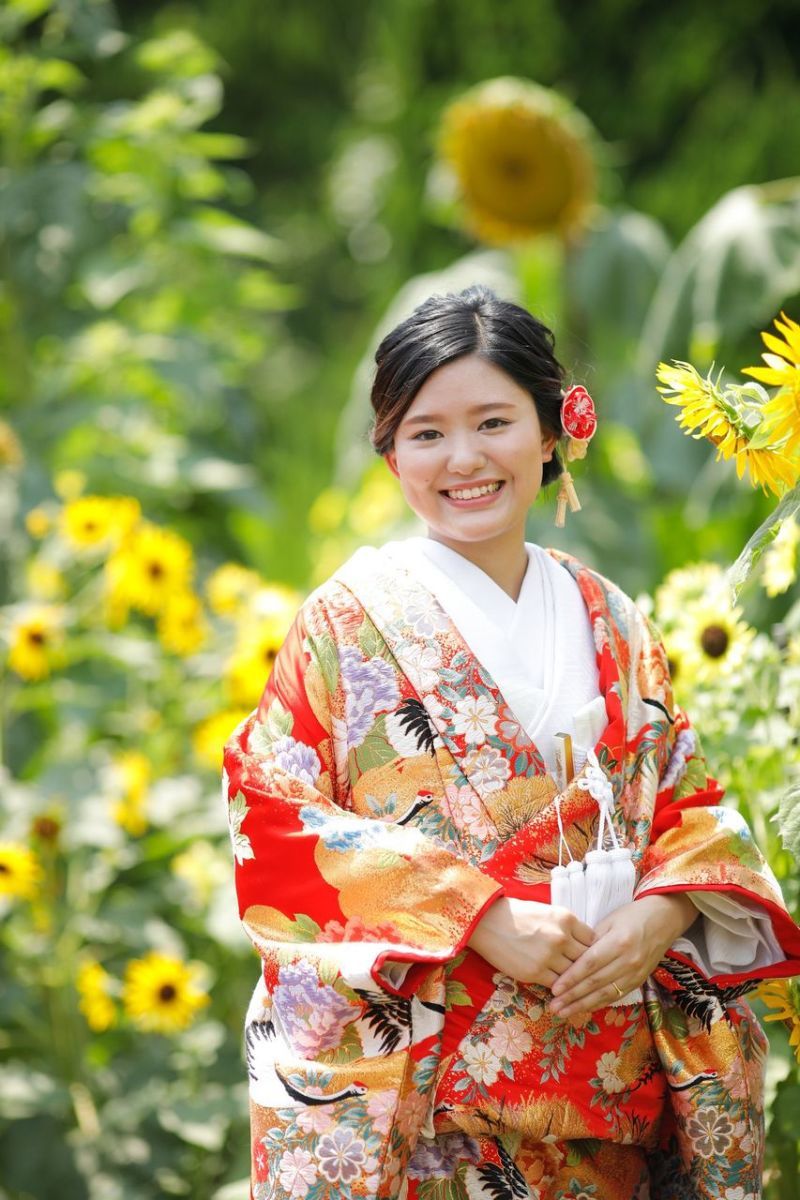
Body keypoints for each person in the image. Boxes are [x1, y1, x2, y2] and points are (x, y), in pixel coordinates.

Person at [222, 285, 800, 1200]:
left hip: (614, 1109)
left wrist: (667, 914)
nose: (463, 459)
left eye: (493, 421)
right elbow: (275, 820)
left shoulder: (612, 617)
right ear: (391, 453)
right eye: (426, 433)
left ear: (553, 430)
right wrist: (481, 917)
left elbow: (689, 801)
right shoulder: (343, 623)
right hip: (429, 1118)